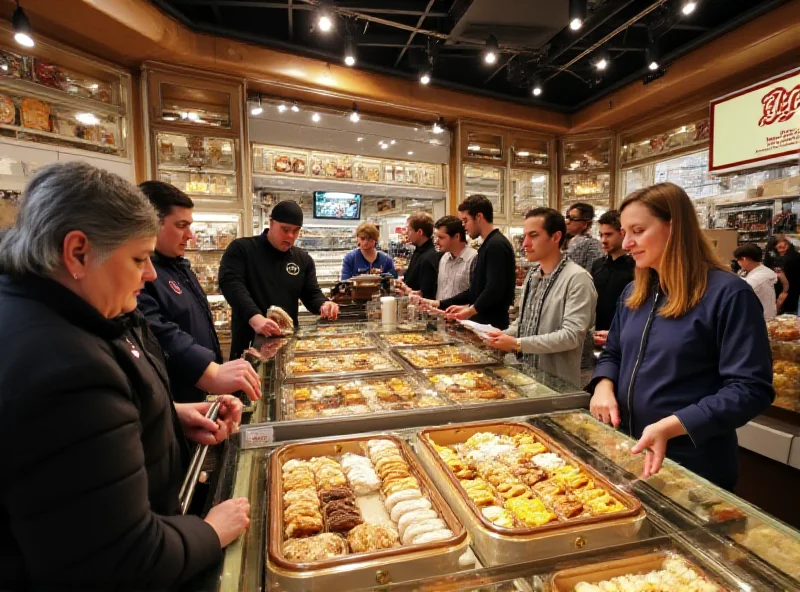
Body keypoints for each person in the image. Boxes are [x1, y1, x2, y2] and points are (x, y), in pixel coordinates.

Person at [0, 162, 249, 589]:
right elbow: (123, 557)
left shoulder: (55, 309)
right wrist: (211, 529)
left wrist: (167, 416)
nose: (150, 274)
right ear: (77, 252)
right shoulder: (61, 363)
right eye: (138, 258)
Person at [589, 182, 774, 491]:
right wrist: (603, 387)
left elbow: (750, 389)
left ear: (673, 228)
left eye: (638, 230)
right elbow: (613, 353)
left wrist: (674, 426)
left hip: (694, 465)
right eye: (624, 232)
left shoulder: (728, 294)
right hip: (628, 451)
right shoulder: (634, 292)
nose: (628, 242)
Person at [136, 181, 261, 403]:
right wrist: (208, 371)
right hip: (175, 396)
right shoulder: (145, 275)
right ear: (149, 224)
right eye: (181, 225)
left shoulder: (178, 267)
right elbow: (155, 331)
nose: (190, 235)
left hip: (193, 398)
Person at [485, 208, 596, 385]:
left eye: (534, 235)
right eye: (525, 236)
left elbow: (571, 336)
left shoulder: (577, 278)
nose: (525, 244)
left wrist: (517, 343)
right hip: (526, 378)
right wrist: (499, 337)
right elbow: (524, 322)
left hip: (558, 384)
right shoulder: (533, 274)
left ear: (555, 237)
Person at [219, 200, 339, 359]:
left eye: (296, 231)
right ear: (271, 223)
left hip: (286, 346)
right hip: (249, 344)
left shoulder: (302, 259)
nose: (290, 236)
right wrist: (255, 317)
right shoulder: (242, 249)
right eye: (285, 229)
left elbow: (311, 294)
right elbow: (231, 284)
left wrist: (324, 304)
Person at [434, 195, 516, 329]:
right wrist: (443, 304)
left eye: (465, 220)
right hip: (484, 322)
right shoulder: (489, 244)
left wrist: (470, 310)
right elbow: (475, 290)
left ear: (478, 217)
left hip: (492, 325)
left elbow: (494, 289)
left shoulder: (496, 245)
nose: (464, 226)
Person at [590, 210, 635, 346]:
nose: (603, 240)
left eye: (608, 235)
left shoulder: (637, 268)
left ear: (622, 233)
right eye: (601, 235)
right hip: (596, 335)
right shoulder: (597, 264)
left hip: (623, 337)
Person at [433, 215, 477, 301]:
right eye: (435, 237)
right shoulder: (444, 258)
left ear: (457, 236)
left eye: (441, 237)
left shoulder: (473, 259)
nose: (436, 241)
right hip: (441, 313)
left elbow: (474, 294)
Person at [398, 211, 441, 300]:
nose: (406, 233)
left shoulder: (428, 257)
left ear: (420, 232)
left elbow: (425, 294)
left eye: (409, 230)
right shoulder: (418, 252)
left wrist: (405, 288)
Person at [734, 243, 781, 320]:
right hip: (764, 316)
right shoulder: (763, 271)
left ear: (744, 259)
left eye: (738, 260)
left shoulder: (757, 279)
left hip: (759, 319)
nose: (738, 263)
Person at [565, 202, 604, 271]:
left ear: (586, 223)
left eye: (573, 218)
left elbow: (592, 272)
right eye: (568, 217)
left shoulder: (592, 244)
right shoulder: (565, 240)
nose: (567, 222)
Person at [775, 238, 800, 314]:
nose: (780, 250)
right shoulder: (797, 255)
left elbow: (782, 280)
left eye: (781, 247)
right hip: (795, 291)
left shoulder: (781, 260)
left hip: (785, 292)